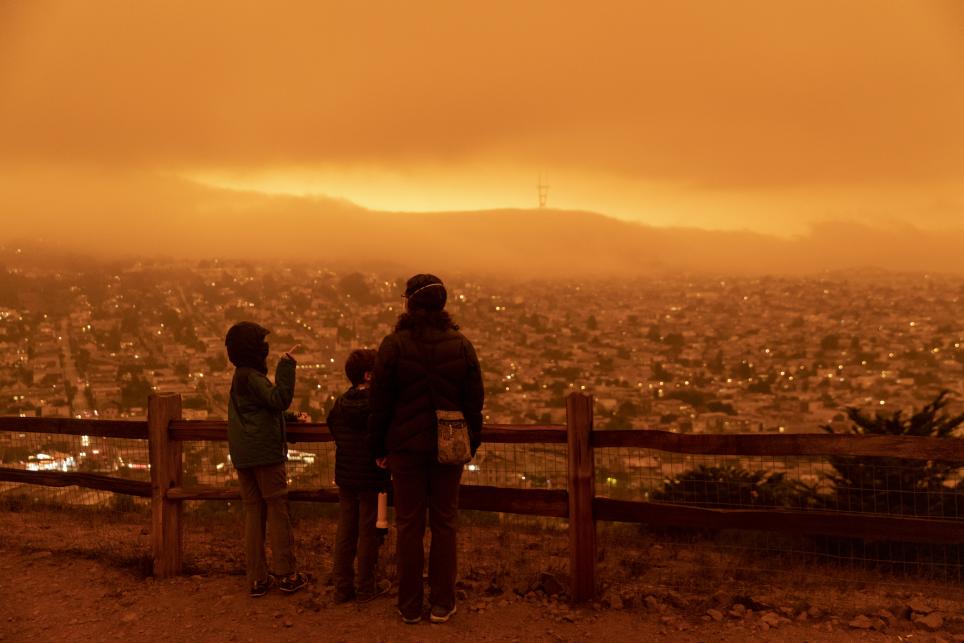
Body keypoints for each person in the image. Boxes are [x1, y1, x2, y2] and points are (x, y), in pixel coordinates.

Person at [369, 274, 484, 624]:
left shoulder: (394, 345)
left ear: (409, 304)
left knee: (409, 525)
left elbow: (380, 404)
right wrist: (470, 444)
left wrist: (379, 446)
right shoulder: (461, 345)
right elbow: (474, 403)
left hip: (405, 448)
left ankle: (409, 604)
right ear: (442, 306)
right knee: (446, 523)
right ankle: (442, 601)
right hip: (449, 449)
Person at [224, 321, 310, 597]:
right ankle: (287, 574)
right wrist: (287, 365)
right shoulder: (252, 377)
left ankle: (257, 578)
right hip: (264, 454)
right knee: (277, 510)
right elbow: (279, 398)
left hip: (243, 453)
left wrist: (290, 420)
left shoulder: (239, 377)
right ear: (255, 349)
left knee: (253, 512)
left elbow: (257, 411)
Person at [327, 348, 392, 604]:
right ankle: (366, 585)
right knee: (368, 532)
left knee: (345, 529)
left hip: (345, 475)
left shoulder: (339, 405)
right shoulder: (377, 406)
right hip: (371, 476)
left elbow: (334, 429)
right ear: (368, 376)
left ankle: (342, 586)